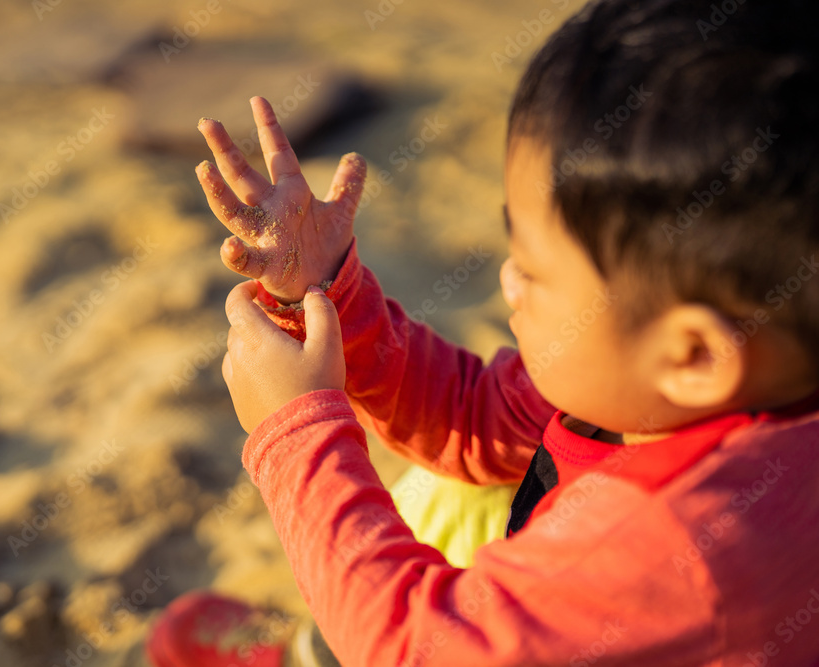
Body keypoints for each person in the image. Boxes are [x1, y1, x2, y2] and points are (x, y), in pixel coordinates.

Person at [147, 0, 819, 664]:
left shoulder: (680, 540)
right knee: (464, 486)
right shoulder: (667, 376)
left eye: (533, 269)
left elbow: (414, 650)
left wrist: (295, 430)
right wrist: (327, 289)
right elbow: (473, 417)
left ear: (694, 354)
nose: (508, 282)